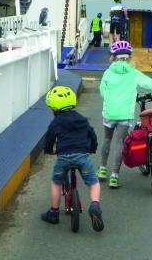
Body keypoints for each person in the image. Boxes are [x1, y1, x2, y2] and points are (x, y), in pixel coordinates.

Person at [98, 40, 152, 188]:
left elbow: (102, 92)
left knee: (107, 138)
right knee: (120, 142)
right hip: (124, 114)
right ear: (128, 57)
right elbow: (149, 83)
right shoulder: (133, 73)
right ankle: (114, 176)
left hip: (109, 112)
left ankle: (102, 169)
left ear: (113, 57)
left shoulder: (108, 72)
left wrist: (111, 97)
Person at [41, 85, 104, 231]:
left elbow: (50, 138)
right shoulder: (82, 119)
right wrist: (92, 148)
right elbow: (92, 135)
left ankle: (54, 213)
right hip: (83, 156)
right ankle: (95, 204)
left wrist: (48, 150)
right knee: (93, 182)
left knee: (56, 182)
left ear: (54, 108)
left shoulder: (56, 122)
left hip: (64, 156)